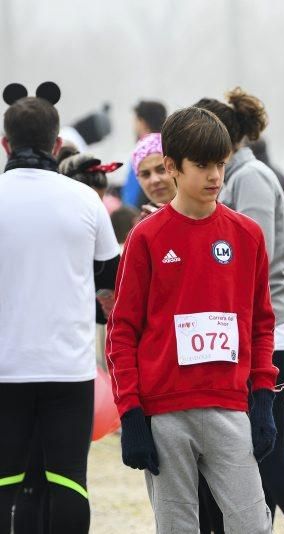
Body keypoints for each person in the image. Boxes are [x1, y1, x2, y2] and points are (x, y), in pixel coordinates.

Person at [106, 107, 277, 534]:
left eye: (220, 163)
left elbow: (261, 323)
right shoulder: (145, 238)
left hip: (230, 406)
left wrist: (263, 397)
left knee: (254, 526)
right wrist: (130, 413)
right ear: (172, 167)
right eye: (202, 165)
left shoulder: (247, 234)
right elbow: (121, 330)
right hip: (164, 414)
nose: (215, 175)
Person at [194, 88, 284, 534]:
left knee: (269, 454)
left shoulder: (250, 179)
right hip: (255, 327)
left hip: (273, 328)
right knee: (258, 452)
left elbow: (251, 258)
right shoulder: (238, 176)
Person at [0, 82, 120, 534]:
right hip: (68, 372)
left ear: (5, 144)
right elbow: (111, 288)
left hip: (4, 370)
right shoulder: (87, 200)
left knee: (5, 483)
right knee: (69, 482)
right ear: (57, 145)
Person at [120, 100, 167, 207]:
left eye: (161, 170)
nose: (155, 180)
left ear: (142, 122)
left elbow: (130, 198)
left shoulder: (141, 154)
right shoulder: (172, 147)